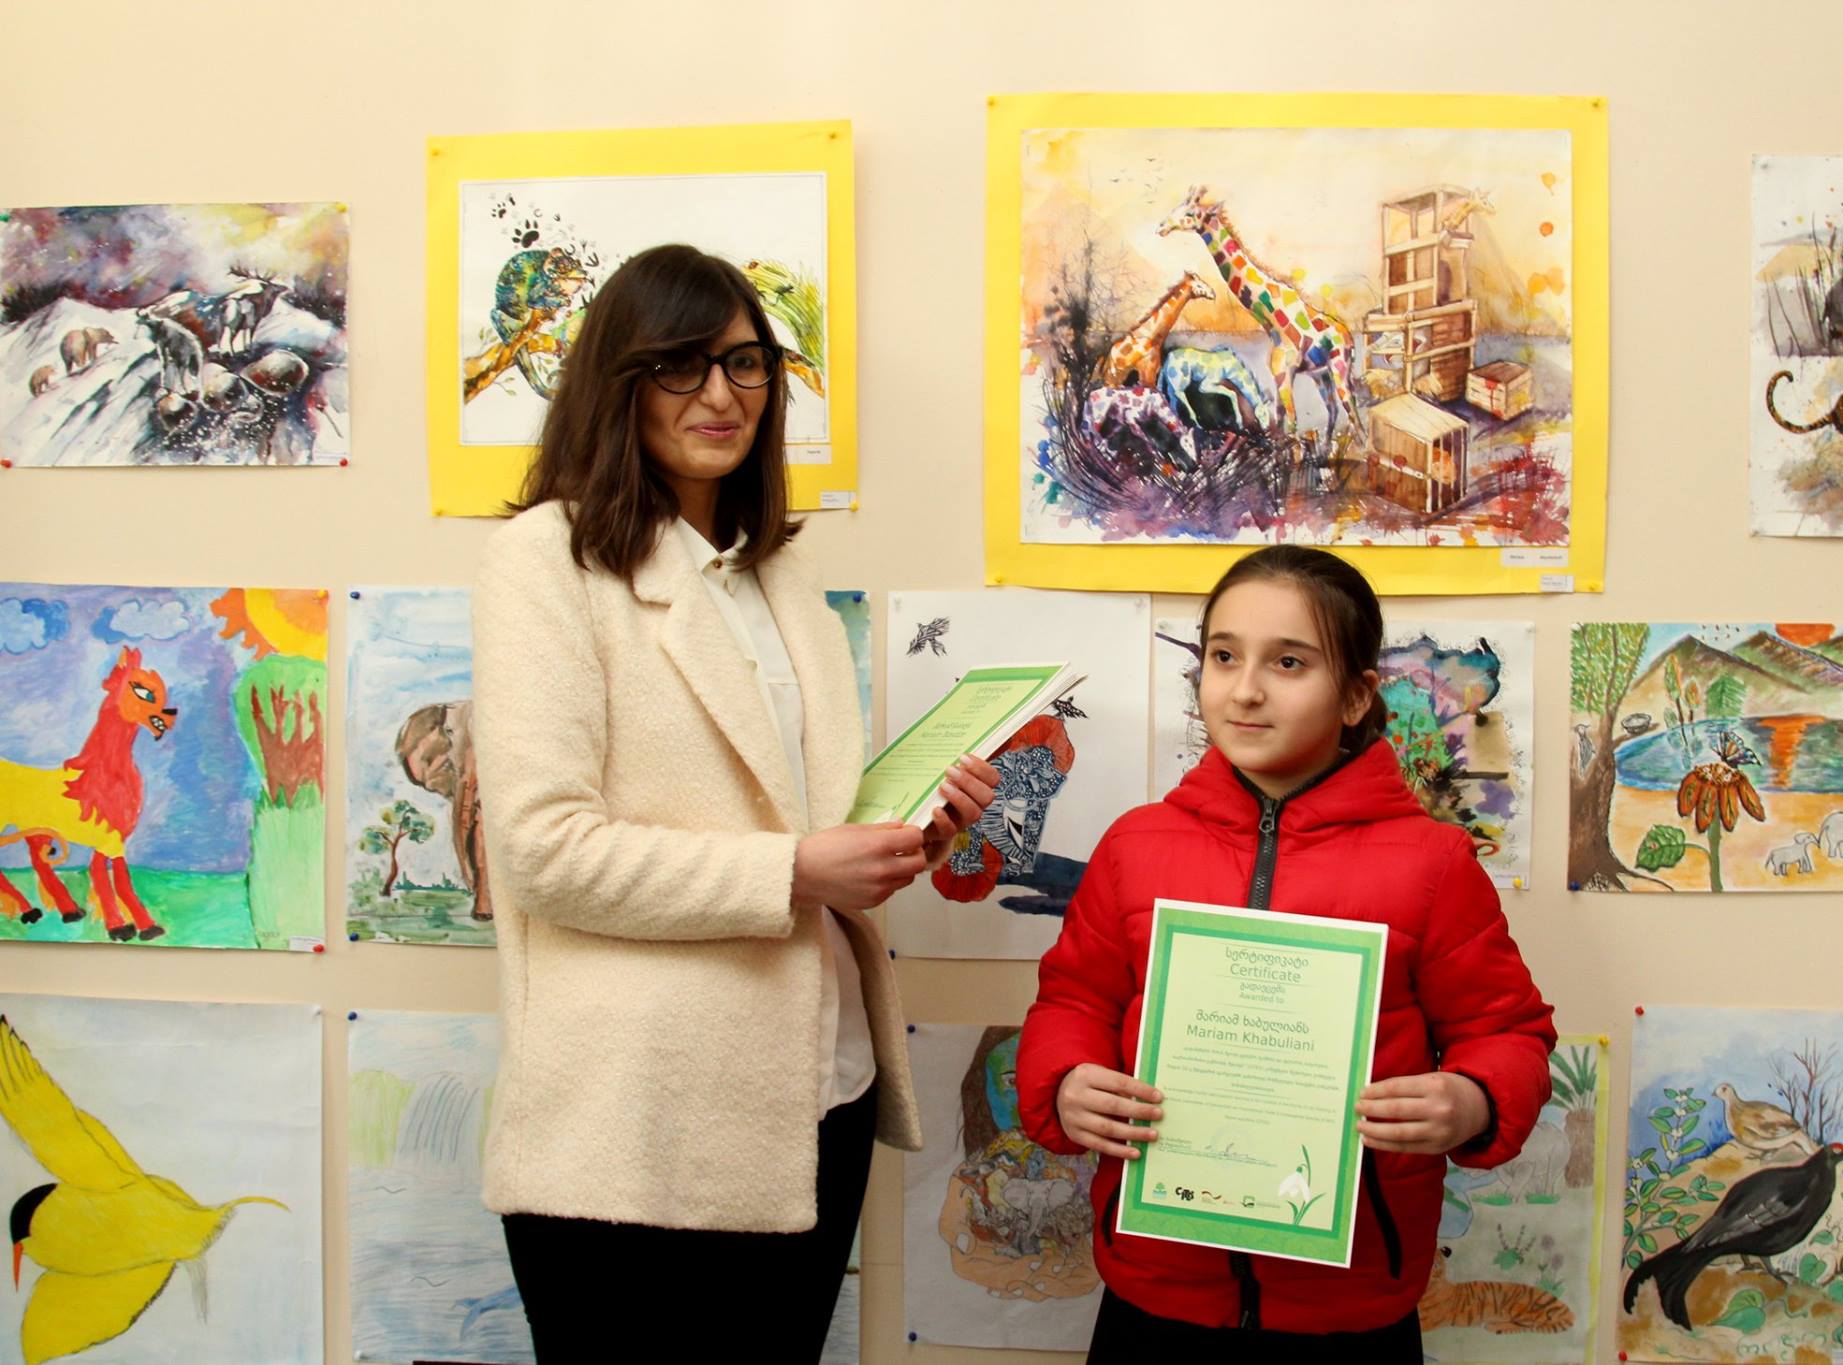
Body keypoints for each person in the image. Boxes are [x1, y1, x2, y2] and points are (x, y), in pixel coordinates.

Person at [469, 243, 998, 1360]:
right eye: (681, 364)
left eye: (746, 362)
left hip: (818, 1093)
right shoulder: (545, 560)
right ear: (618, 380)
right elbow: (542, 850)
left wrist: (909, 830)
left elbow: (796, 817)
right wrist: (797, 870)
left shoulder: (777, 571)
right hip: (635, 1125)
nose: (721, 394)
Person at [1016, 545, 1555, 1361]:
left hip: (1352, 1302)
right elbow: (1074, 1000)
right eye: (1224, 656)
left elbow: (1508, 1031)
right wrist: (1065, 1083)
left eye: (1289, 661)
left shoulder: (1433, 863)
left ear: (1356, 695)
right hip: (1156, 1288)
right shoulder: (1136, 845)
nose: (1245, 689)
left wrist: (1474, 1099)